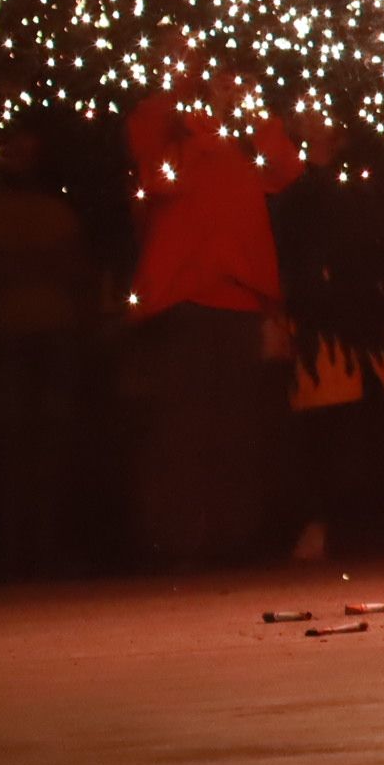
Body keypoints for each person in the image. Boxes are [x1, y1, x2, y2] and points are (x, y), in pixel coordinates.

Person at [121, 46, 296, 568]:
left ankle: (231, 539)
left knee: (235, 426)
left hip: (239, 297)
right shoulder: (161, 118)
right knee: (184, 426)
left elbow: (286, 169)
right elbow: (158, 178)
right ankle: (178, 542)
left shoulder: (242, 130)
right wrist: (204, 125)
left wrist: (249, 111)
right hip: (183, 297)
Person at [268, 121, 384, 562]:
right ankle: (319, 526)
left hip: (374, 326)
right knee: (327, 432)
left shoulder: (369, 186)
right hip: (321, 328)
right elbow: (287, 260)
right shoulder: (294, 196)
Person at [0, 123, 101, 578]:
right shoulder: (21, 213)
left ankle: (31, 549)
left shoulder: (48, 214)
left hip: (40, 336)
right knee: (20, 444)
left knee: (37, 443)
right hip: (14, 338)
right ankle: (20, 550)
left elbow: (77, 278)